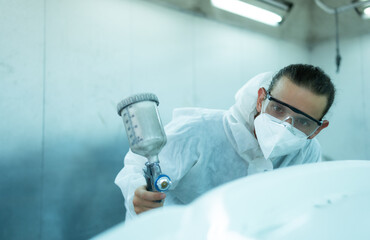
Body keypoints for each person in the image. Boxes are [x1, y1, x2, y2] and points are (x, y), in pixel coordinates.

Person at [115, 64, 336, 220]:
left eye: (302, 122)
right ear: (261, 99)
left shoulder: (306, 152)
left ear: (318, 129)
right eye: (278, 109)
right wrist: (137, 192)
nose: (284, 127)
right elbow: (136, 167)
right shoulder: (200, 130)